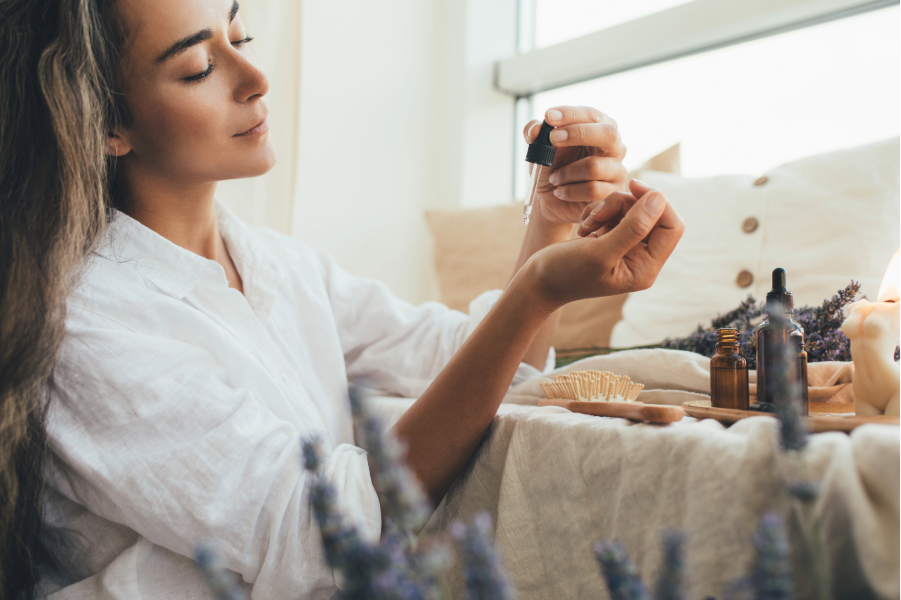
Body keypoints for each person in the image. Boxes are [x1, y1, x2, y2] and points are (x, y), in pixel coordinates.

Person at [0, 0, 685, 598]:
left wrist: (550, 220)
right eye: (197, 69)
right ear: (107, 127)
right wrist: (537, 288)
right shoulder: (85, 322)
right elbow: (321, 530)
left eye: (237, 38)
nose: (256, 78)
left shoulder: (279, 266)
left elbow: (475, 364)